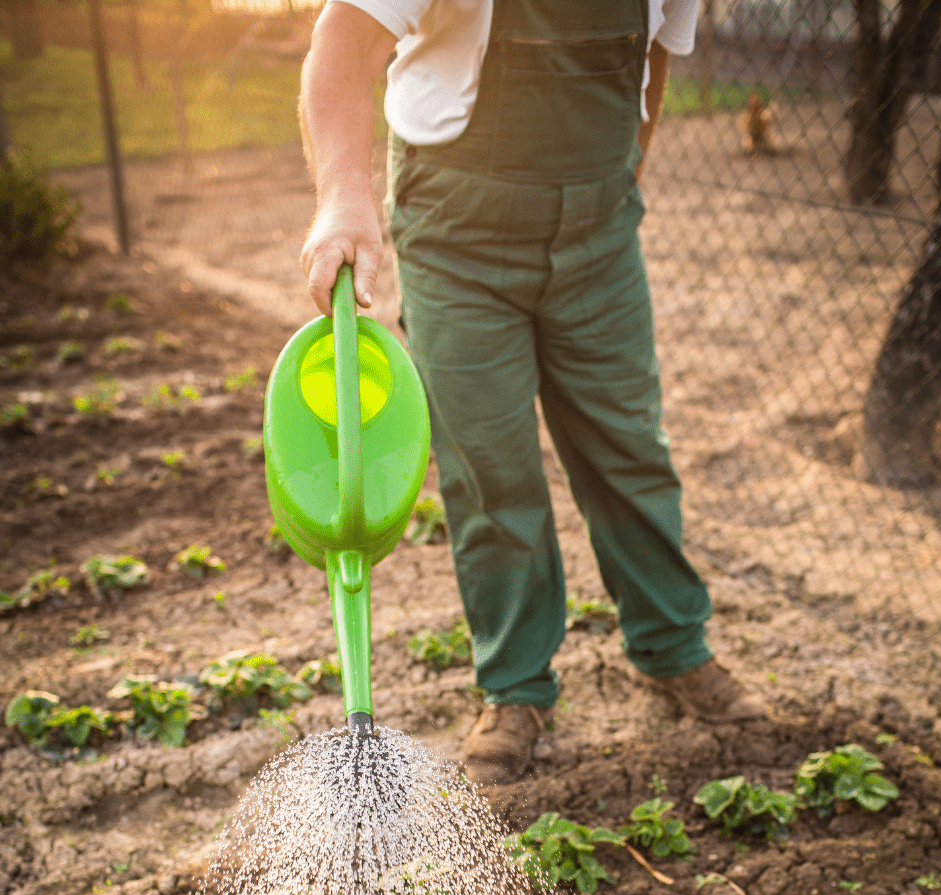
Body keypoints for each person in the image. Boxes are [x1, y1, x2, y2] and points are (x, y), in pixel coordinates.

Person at [299, 1, 767, 786]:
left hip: (601, 232)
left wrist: (616, 183)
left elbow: (650, 56)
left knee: (629, 447)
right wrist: (344, 195)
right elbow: (342, 47)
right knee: (491, 467)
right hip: (458, 233)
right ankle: (515, 690)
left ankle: (673, 649)